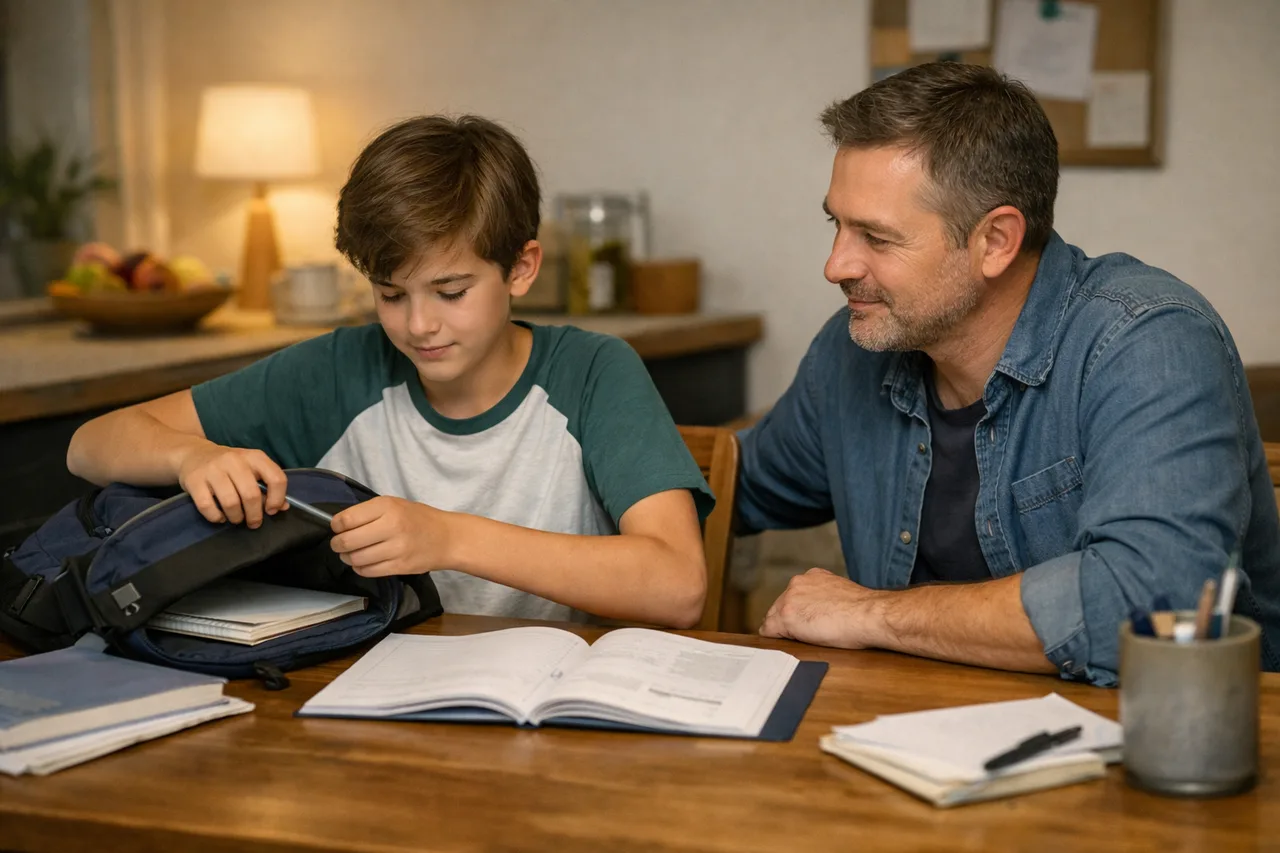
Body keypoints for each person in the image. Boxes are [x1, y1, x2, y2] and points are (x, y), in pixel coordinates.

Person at [740, 62, 1280, 684]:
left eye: (877, 238)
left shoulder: (1148, 339)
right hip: (905, 741)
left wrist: (871, 614)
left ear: (996, 240)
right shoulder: (853, 350)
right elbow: (732, 488)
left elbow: (1150, 601)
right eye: (836, 224)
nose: (835, 265)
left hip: (1166, 741)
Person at [67, 115, 713, 628]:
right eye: (391, 294)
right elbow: (89, 445)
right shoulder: (342, 367)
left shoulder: (594, 372)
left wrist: (447, 536)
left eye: (450, 291)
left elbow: (678, 584)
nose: (417, 325)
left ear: (522, 267)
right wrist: (190, 458)